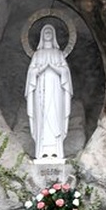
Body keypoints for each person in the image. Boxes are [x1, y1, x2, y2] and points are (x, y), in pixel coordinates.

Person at [25, 24, 73, 160]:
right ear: (41, 35)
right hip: (40, 90)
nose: (47, 34)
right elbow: (31, 73)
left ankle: (56, 151)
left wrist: (53, 67)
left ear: (54, 36)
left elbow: (65, 72)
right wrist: (40, 69)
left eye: (50, 32)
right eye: (45, 32)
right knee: (42, 117)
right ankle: (42, 151)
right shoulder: (37, 55)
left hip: (56, 90)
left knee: (55, 115)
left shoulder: (59, 54)